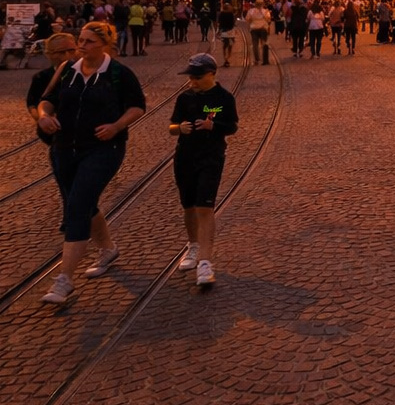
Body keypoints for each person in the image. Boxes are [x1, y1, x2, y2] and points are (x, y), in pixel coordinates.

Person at [35, 21, 146, 304]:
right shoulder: (67, 71)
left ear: (105, 45)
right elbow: (46, 100)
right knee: (79, 200)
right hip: (64, 149)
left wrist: (117, 126)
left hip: (103, 148)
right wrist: (43, 116)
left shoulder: (120, 73)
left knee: (78, 207)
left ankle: (64, 280)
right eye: (80, 41)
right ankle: (107, 249)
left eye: (88, 42)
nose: (81, 47)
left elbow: (137, 106)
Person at [169, 52, 238, 288]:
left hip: (211, 157)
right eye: (191, 77)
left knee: (204, 207)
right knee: (188, 207)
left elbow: (232, 126)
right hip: (184, 157)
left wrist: (213, 125)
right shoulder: (184, 98)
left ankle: (205, 263)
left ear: (211, 74)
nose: (192, 81)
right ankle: (193, 246)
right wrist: (180, 128)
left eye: (197, 77)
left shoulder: (224, 98)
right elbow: (171, 127)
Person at [25, 33, 79, 144]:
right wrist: (43, 118)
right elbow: (33, 104)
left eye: (72, 50)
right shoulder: (42, 77)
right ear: (49, 54)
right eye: (61, 52)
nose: (67, 55)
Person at [244, 0, 270, 64]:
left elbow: (247, 19)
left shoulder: (251, 11)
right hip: (263, 28)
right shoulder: (265, 11)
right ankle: (265, 59)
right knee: (264, 43)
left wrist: (251, 22)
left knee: (255, 44)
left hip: (254, 29)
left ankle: (257, 59)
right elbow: (269, 19)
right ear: (263, 4)